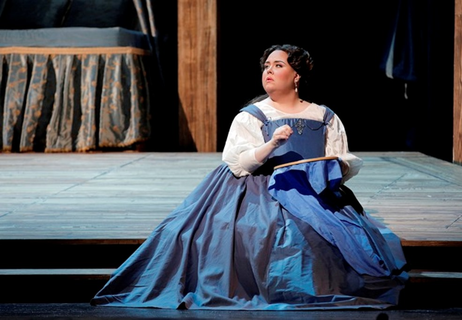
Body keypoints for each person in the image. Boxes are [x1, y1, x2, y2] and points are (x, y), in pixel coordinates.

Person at [91, 44, 408, 310]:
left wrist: (330, 169)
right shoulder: (253, 115)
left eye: (278, 65)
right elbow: (239, 163)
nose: (269, 70)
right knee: (250, 231)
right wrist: (272, 145)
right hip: (257, 187)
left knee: (335, 233)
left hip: (311, 190)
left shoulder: (324, 117)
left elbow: (340, 159)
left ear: (296, 75)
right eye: (266, 65)